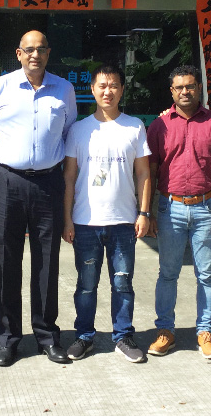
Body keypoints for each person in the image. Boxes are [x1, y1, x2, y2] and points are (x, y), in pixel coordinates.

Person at [0, 30, 77, 367]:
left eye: (41, 49)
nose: (35, 55)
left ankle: (47, 336)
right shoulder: (0, 87)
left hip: (49, 182)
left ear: (48, 53)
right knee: (6, 260)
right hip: (8, 181)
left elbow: (69, 132)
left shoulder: (64, 89)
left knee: (47, 261)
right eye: (29, 50)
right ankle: (8, 339)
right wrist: (6, 162)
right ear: (19, 53)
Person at [146, 65, 211, 360]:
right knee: (167, 274)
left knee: (207, 275)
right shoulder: (159, 126)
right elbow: (150, 170)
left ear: (199, 88)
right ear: (171, 92)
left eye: (190, 86)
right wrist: (147, 211)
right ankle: (165, 331)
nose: (185, 91)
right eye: (179, 87)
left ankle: (206, 332)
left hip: (207, 208)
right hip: (169, 208)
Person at [62, 64, 151, 363]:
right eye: (102, 85)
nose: (107, 91)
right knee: (86, 285)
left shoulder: (134, 126)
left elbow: (144, 173)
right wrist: (67, 219)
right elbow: (69, 177)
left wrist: (144, 212)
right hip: (86, 222)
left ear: (122, 89)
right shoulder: (79, 129)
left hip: (124, 222)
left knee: (122, 283)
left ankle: (123, 336)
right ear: (92, 90)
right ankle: (84, 336)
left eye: (113, 85)